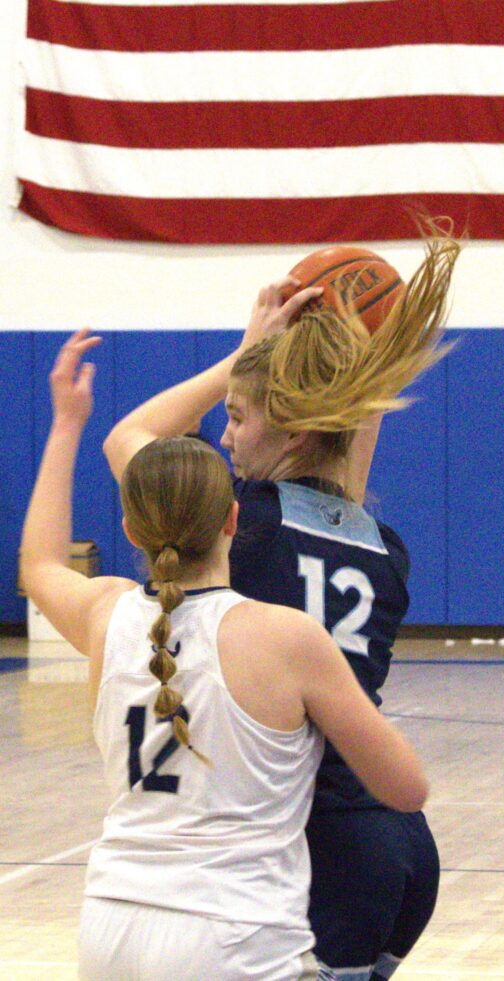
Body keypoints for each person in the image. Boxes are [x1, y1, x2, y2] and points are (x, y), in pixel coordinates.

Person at [103, 226, 460, 981]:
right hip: (401, 848)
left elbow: (130, 438)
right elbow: (341, 446)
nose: (226, 435)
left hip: (317, 847)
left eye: (238, 416)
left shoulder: (248, 528)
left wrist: (246, 350)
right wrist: (352, 357)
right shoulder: (380, 543)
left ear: (292, 425)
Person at [21, 330, 429, 981]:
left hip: (114, 919)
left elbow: (49, 551)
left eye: (237, 416)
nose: (230, 435)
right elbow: (408, 786)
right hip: (301, 884)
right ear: (230, 519)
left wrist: (69, 420)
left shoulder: (114, 613)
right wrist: (369, 361)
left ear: (133, 526)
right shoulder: (359, 568)